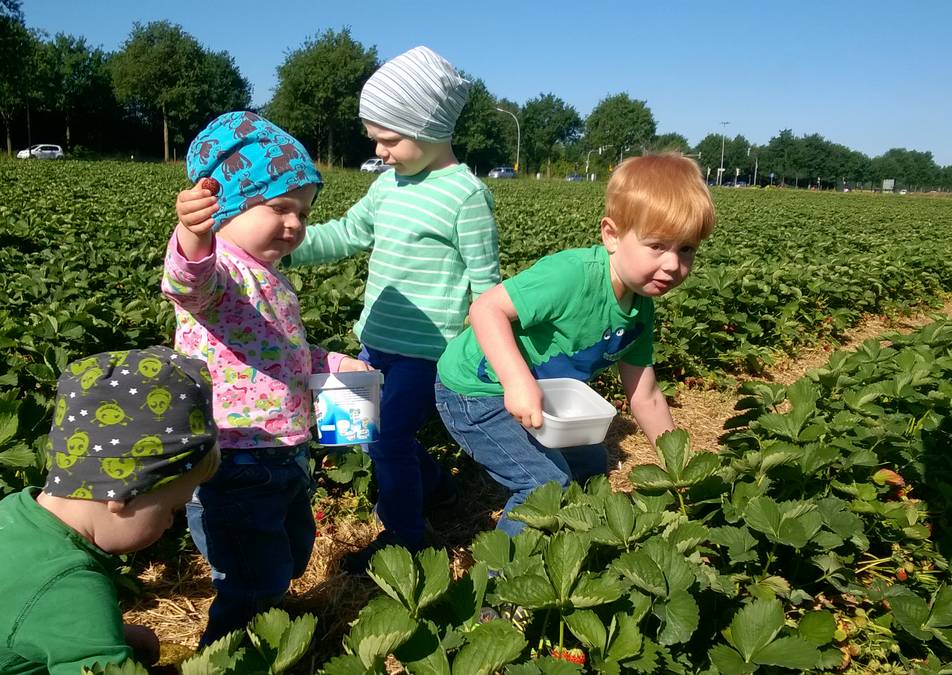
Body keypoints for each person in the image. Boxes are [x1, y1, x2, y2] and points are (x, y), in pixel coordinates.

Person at [281, 46, 501, 571]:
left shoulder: (466, 196)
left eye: (389, 138)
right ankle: (438, 489)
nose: (379, 151)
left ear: (428, 126)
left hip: (426, 352)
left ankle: (405, 535)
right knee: (356, 431)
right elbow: (347, 234)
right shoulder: (388, 184)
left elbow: (486, 283)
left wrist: (485, 352)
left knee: (385, 438)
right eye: (375, 139)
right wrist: (282, 243)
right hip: (374, 338)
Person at [0, 346, 221, 674]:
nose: (171, 525)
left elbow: (13, 610)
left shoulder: (11, 517)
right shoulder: (66, 582)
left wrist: (113, 634)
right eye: (172, 509)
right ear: (125, 491)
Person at [165, 111, 368, 646]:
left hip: (284, 450)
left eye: (302, 211)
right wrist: (191, 235)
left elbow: (281, 349)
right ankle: (231, 653)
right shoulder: (220, 270)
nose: (296, 223)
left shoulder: (269, 274)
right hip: (236, 458)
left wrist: (331, 364)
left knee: (293, 549)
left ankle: (269, 605)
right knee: (254, 576)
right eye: (279, 207)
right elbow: (188, 284)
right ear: (225, 204)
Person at [434, 153, 715, 535]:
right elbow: (484, 309)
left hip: (539, 394)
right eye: (657, 246)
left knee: (589, 467)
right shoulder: (572, 276)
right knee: (545, 485)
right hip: (475, 390)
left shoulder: (640, 309)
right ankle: (501, 587)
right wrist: (518, 383)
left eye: (686, 249)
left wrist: (679, 468)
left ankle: (575, 543)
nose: (672, 265)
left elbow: (645, 396)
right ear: (611, 235)